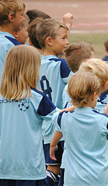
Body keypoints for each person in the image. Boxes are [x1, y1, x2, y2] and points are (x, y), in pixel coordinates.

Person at [0, 45, 57, 185]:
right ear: (32, 69)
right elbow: (58, 118)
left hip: (4, 168)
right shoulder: (36, 97)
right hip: (30, 170)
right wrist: (75, 108)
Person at [35, 18, 71, 183]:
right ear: (49, 41)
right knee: (57, 170)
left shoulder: (34, 64)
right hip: (59, 127)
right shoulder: (61, 65)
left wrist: (65, 27)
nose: (67, 42)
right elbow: (79, 85)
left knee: (49, 167)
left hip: (42, 128)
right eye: (63, 38)